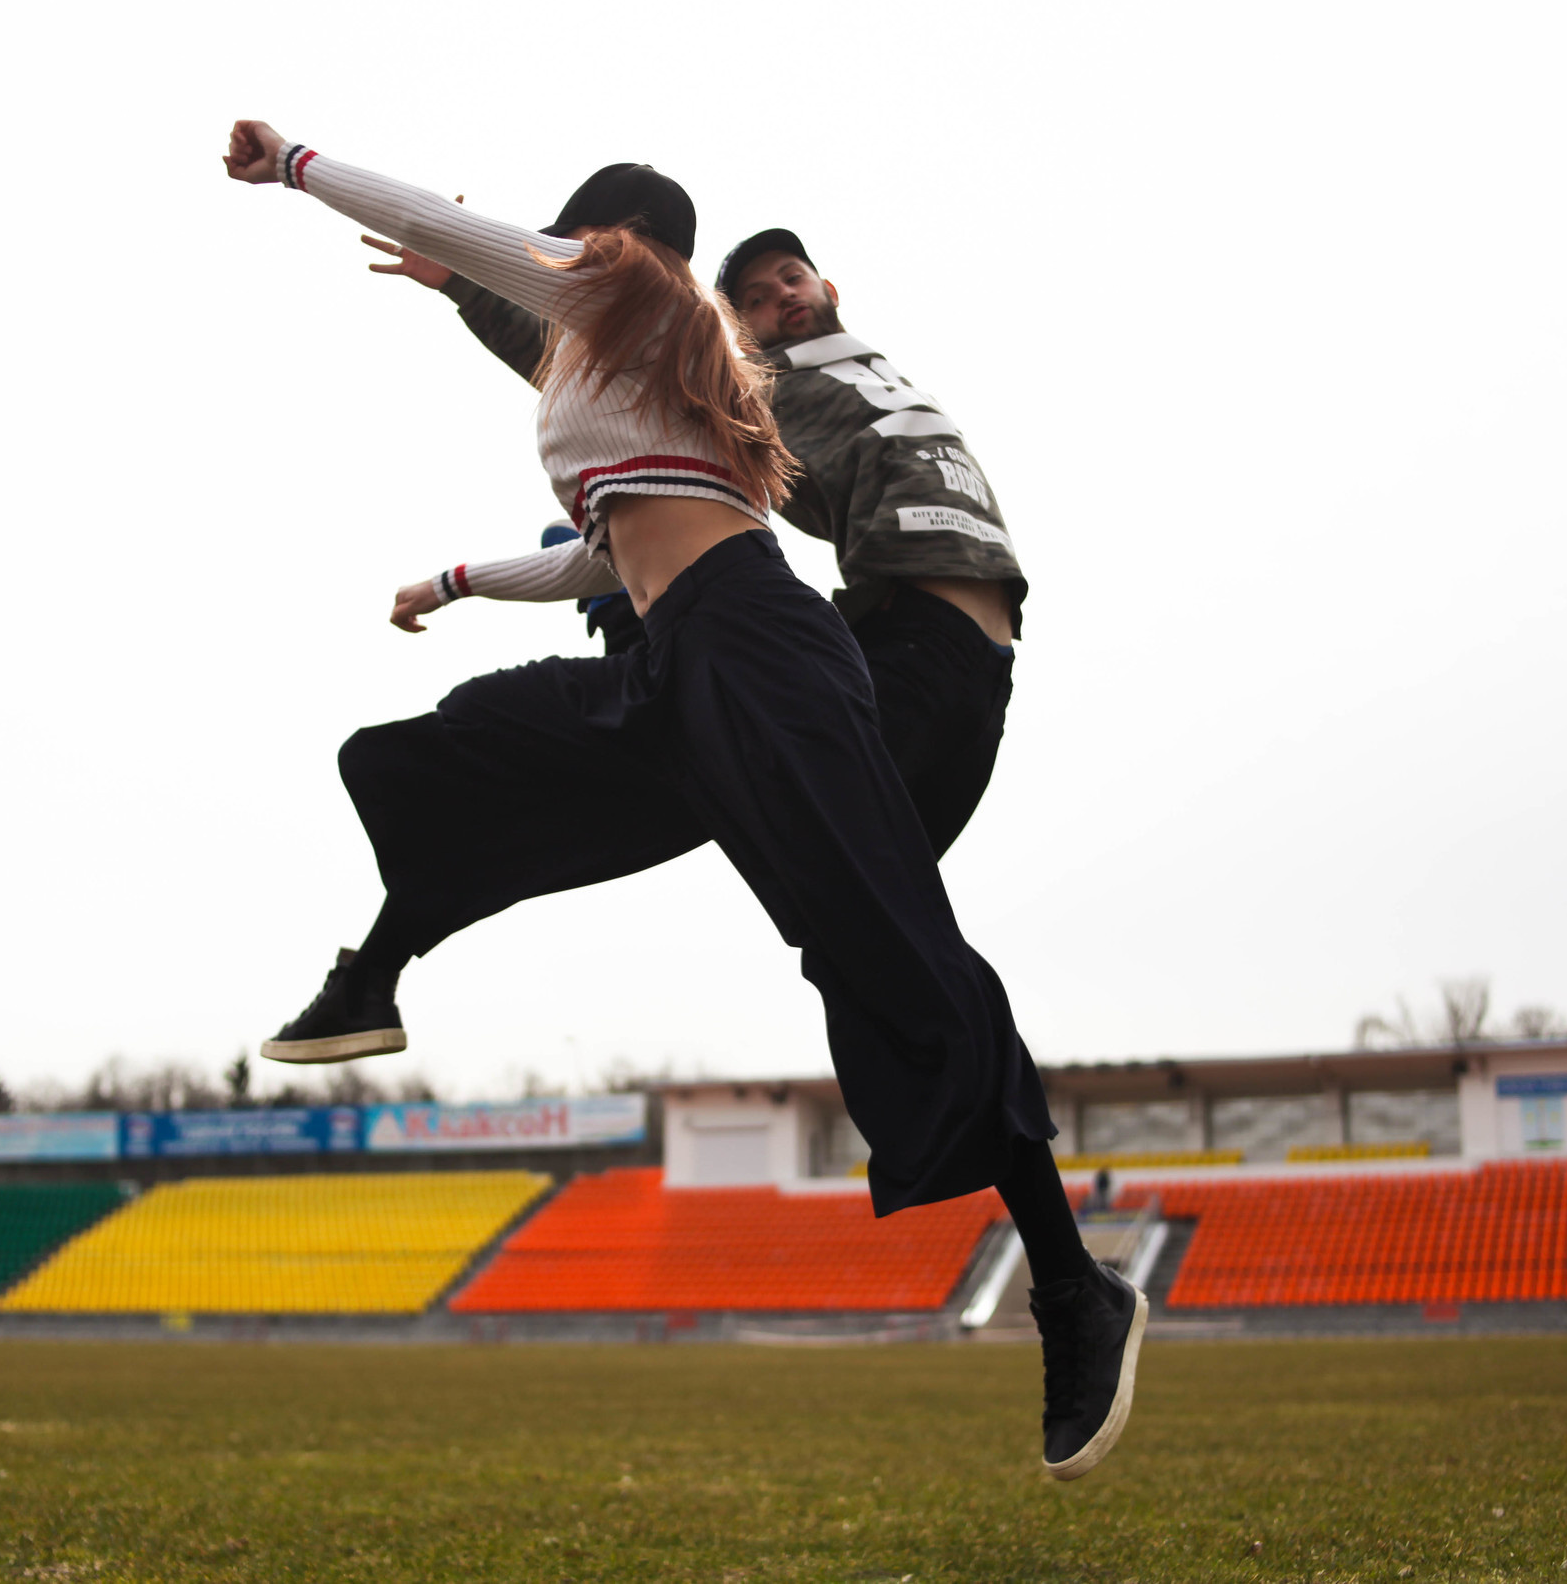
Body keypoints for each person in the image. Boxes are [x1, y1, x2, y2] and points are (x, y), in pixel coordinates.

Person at [222, 123, 1143, 1477]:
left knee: (881, 939)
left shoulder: (626, 290)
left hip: (761, 649)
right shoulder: (627, 387)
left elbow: (457, 229)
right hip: (679, 666)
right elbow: (604, 556)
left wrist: (293, 162)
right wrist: (458, 583)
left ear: (609, 242)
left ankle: (1072, 1282)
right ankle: (374, 974)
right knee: (465, 744)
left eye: (569, 247)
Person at [370, 226, 1020, 857]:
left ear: (829, 287)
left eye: (789, 279)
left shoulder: (873, 369)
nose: (780, 297)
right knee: (806, 839)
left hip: (987, 664)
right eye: (756, 301)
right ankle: (630, 629)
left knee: (892, 901)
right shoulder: (760, 390)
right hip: (911, 643)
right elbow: (603, 364)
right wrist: (463, 279)